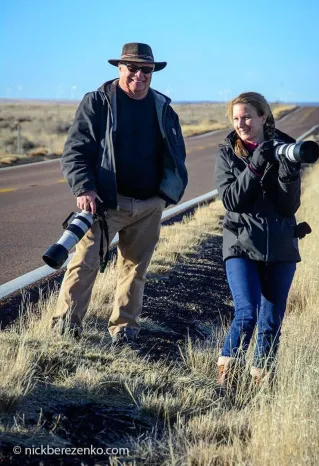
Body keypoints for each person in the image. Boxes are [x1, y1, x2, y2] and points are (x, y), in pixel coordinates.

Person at [52, 43, 188, 345]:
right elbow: (75, 150)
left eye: (147, 69)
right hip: (104, 203)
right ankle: (65, 326)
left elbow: (176, 153)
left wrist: (166, 194)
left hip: (149, 204)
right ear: (119, 68)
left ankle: (124, 328)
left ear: (153, 72)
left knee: (135, 269)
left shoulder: (162, 107)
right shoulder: (98, 102)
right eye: (133, 68)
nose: (140, 75)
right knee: (85, 263)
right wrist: (84, 187)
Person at [215, 92, 302, 386]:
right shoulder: (227, 152)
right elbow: (232, 200)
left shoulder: (286, 148)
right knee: (246, 312)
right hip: (240, 244)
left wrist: (287, 174)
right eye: (237, 118)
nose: (241, 123)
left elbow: (288, 207)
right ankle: (227, 378)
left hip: (281, 247)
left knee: (270, 322)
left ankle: (260, 383)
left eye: (247, 116)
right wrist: (254, 165)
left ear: (264, 117)